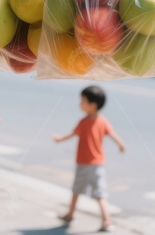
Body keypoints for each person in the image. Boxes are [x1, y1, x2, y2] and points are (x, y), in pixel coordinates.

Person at [53, 86, 125, 232]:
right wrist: (120, 144)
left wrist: (60, 139)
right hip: (96, 164)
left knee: (82, 191)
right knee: (96, 192)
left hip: (86, 163)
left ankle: (104, 219)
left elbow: (72, 134)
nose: (80, 104)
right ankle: (76, 215)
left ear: (92, 105)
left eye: (83, 101)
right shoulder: (101, 120)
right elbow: (112, 134)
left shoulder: (84, 121)